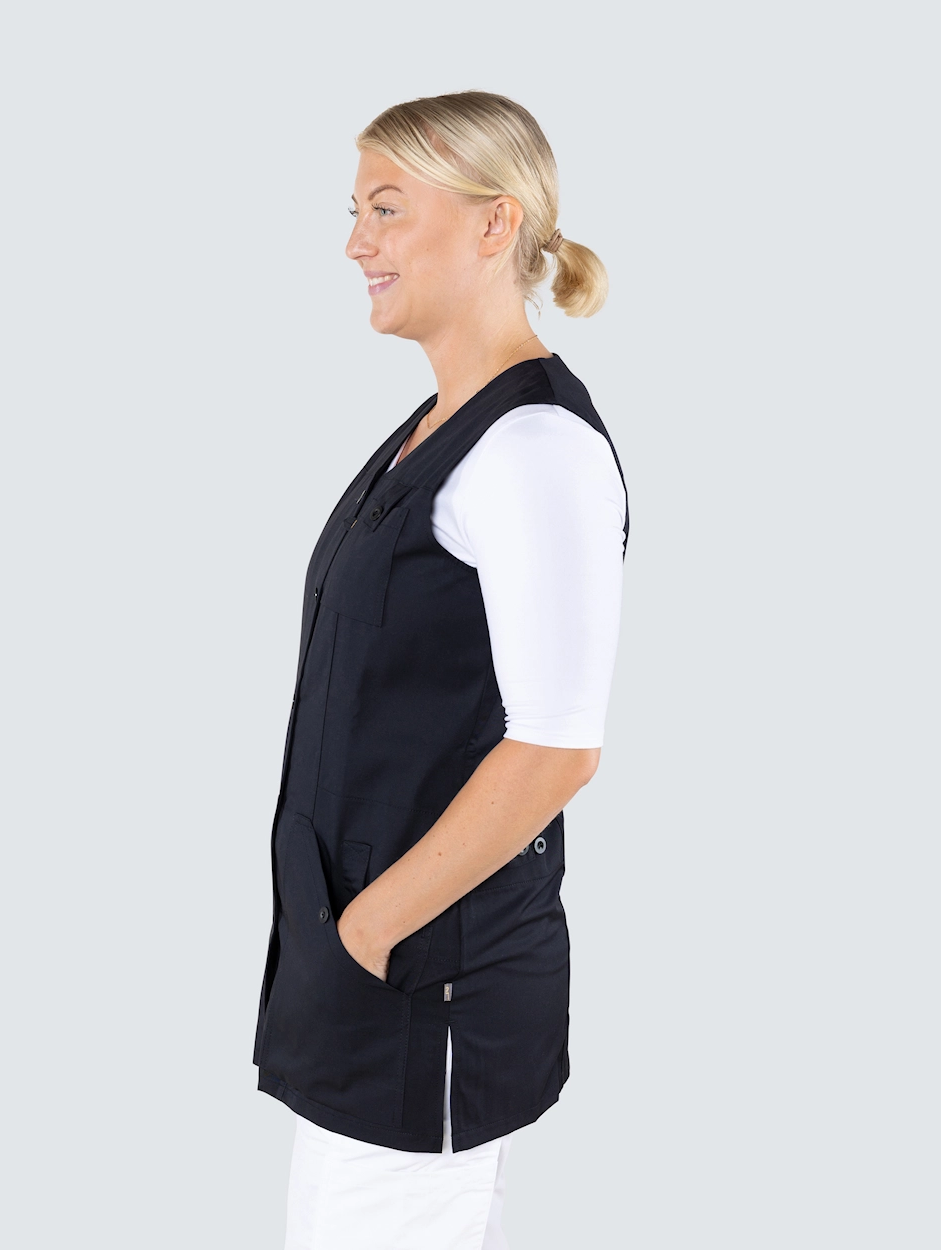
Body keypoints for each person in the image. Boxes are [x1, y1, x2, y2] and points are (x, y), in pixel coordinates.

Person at [252, 90, 629, 1249]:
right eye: (354, 211)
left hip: (425, 989)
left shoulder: (535, 449)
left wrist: (368, 932)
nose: (355, 243)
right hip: (364, 980)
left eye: (386, 208)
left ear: (491, 222)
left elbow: (556, 749)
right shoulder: (437, 426)